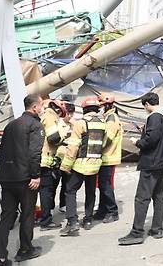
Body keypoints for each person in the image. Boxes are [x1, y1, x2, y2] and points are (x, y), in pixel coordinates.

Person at [0, 95, 45, 266]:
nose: (42, 108)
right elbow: (34, 153)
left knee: (6, 217)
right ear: (35, 107)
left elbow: (1, 154)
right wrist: (36, 175)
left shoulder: (11, 125)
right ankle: (25, 249)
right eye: (41, 105)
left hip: (7, 178)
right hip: (25, 179)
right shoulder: (35, 125)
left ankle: (0, 257)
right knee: (27, 214)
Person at [119, 92, 163, 246]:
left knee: (142, 198)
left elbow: (151, 139)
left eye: (145, 106)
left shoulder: (155, 117)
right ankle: (157, 229)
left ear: (147, 104)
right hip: (161, 161)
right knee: (158, 196)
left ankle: (137, 232)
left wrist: (137, 142)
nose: (145, 109)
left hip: (152, 162)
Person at [59, 97, 106, 236]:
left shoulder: (81, 123)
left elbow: (73, 147)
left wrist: (66, 165)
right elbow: (104, 143)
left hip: (80, 165)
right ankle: (88, 220)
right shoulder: (103, 124)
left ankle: (72, 221)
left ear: (84, 109)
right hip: (95, 164)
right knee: (90, 192)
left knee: (70, 190)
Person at [38, 99, 68, 230]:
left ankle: (43, 217)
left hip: (43, 160)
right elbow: (53, 138)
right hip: (45, 162)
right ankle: (45, 221)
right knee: (46, 191)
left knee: (45, 191)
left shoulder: (46, 116)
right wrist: (65, 138)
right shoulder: (50, 117)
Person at [93, 92, 123, 223]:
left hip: (108, 157)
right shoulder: (109, 117)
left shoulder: (111, 118)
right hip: (106, 158)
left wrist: (95, 149)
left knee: (106, 186)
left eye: (101, 106)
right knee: (103, 186)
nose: (99, 109)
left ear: (106, 105)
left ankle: (112, 211)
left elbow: (107, 139)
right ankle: (102, 210)